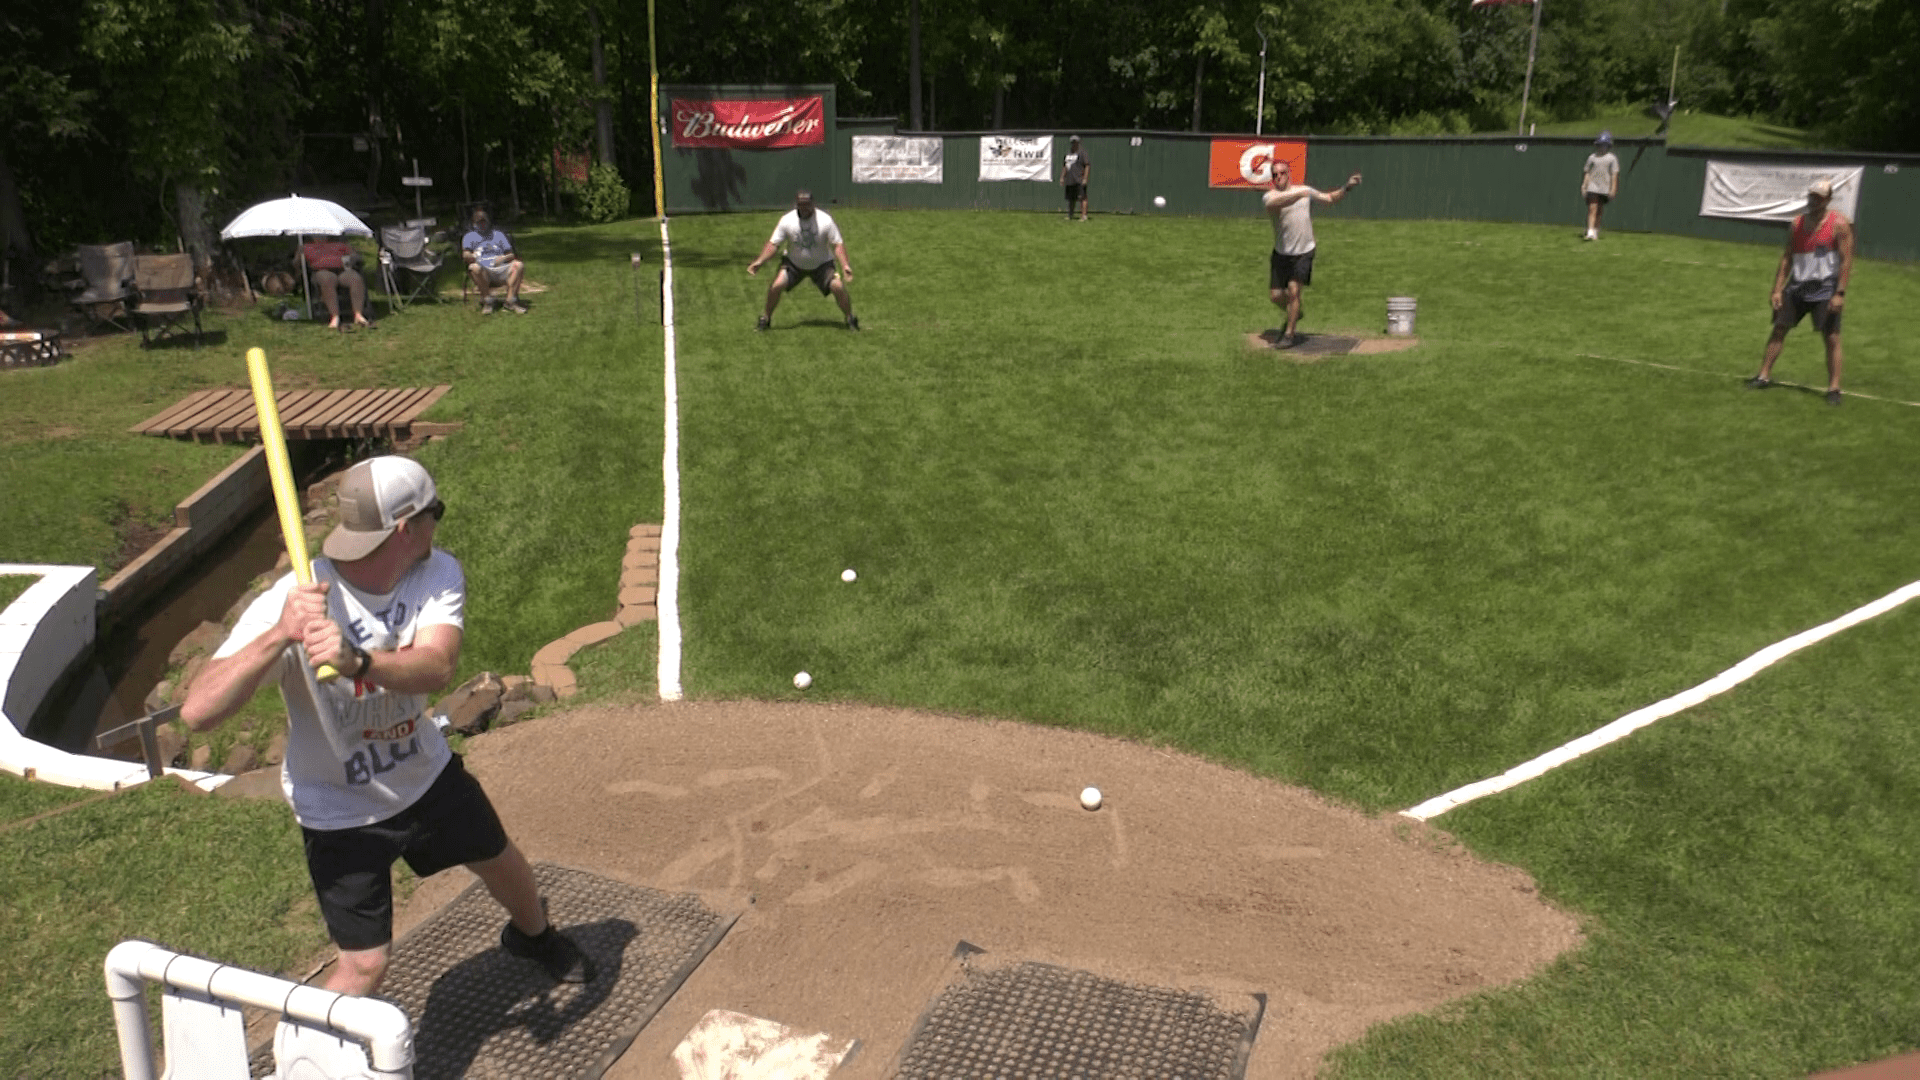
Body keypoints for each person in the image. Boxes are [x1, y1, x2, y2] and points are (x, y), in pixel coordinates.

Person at [181, 456, 593, 996]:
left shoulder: (436, 572)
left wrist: (360, 662)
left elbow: (438, 665)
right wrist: (280, 634)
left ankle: (533, 936)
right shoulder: (297, 599)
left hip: (424, 775)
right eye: (434, 512)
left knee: (502, 862)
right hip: (338, 808)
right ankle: (306, 1057)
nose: (438, 524)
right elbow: (197, 712)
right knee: (366, 965)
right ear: (405, 528)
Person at [1747, 178, 1854, 406]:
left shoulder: (1839, 224)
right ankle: (1763, 375)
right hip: (1796, 287)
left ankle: (1834, 388)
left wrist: (1840, 293)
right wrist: (1777, 289)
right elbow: (1787, 257)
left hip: (1825, 289)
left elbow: (1846, 261)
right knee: (1779, 330)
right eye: (1811, 195)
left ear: (1827, 199)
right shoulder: (1797, 223)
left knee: (1832, 337)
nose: (1813, 200)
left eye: (1818, 197)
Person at [1262, 162, 1361, 348]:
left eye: (1282, 173)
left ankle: (1290, 334)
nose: (1279, 177)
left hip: (1304, 251)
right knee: (1275, 296)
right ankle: (1295, 312)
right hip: (1281, 253)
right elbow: (1275, 203)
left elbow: (1330, 199)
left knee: (1294, 291)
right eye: (1275, 174)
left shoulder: (1305, 191)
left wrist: (1346, 187)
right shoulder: (1270, 196)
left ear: (1289, 173)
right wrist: (1301, 193)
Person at [747, 190, 859, 331]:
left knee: (838, 286)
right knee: (776, 286)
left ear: (813, 204)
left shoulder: (825, 220)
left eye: (807, 205)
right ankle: (765, 319)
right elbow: (774, 244)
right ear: (797, 205)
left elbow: (837, 244)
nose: (804, 208)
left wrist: (845, 265)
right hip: (794, 264)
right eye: (801, 205)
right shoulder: (787, 220)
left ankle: (850, 319)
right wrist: (759, 262)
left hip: (822, 265)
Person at [462, 209, 527, 315]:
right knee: (473, 267)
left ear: (488, 222)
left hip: (501, 268)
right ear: (474, 224)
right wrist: (471, 255)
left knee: (518, 265)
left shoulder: (498, 235)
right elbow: (465, 255)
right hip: (484, 270)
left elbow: (511, 254)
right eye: (479, 222)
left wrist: (503, 258)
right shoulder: (469, 237)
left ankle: (510, 301)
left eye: (484, 221)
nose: (482, 224)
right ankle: (487, 301)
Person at [301, 239, 374, 331]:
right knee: (327, 279)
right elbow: (297, 263)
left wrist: (352, 258)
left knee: (355, 278)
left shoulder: (340, 243)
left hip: (342, 270)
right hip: (321, 271)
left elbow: (355, 255)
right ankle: (335, 316)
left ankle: (358, 315)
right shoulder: (306, 246)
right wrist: (300, 257)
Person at [1582, 132, 1620, 241]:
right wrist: (1584, 185)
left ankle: (1595, 231)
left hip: (1604, 187)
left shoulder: (1612, 158)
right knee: (1592, 208)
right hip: (1592, 186)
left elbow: (1614, 174)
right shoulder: (1592, 158)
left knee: (1599, 210)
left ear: (1608, 146)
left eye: (1604, 145)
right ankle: (1589, 231)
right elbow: (1587, 172)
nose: (1602, 147)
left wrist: (1613, 189)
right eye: (1600, 145)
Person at [1061, 136, 1091, 222]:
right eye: (1072, 142)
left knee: (1083, 198)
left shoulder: (1082, 153)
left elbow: (1087, 165)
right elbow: (1065, 166)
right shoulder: (1068, 154)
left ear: (1078, 143)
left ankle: (1084, 216)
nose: (1074, 144)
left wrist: (1085, 178)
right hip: (1070, 180)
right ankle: (1070, 215)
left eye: (1075, 142)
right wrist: (1062, 177)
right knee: (1071, 199)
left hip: (1079, 179)